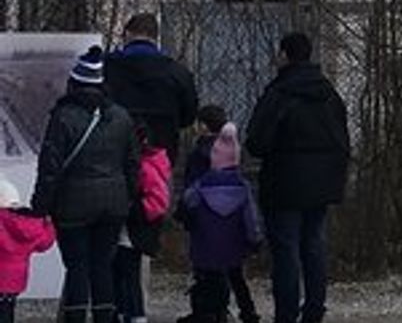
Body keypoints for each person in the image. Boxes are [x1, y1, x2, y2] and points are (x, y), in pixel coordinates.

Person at [244, 33, 349, 323]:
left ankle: (286, 314)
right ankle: (314, 309)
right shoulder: (329, 94)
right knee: (314, 244)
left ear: (284, 55)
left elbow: (257, 141)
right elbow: (343, 139)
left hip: (285, 182)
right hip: (322, 183)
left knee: (286, 250)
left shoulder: (280, 93)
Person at [33, 45, 139, 323]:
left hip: (72, 205)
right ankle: (105, 317)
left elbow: (50, 167)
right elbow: (132, 164)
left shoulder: (63, 117)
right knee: (102, 265)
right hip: (113, 204)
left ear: (74, 82)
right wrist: (128, 197)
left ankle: (76, 317)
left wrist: (40, 206)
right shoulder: (121, 116)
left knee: (77, 266)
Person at [181, 105, 260, 323]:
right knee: (235, 272)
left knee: (206, 272)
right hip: (232, 226)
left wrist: (185, 215)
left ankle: (208, 311)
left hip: (205, 225)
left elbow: (190, 195)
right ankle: (247, 310)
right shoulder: (233, 152)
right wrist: (253, 236)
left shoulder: (198, 155)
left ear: (203, 126)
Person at [105, 14, 199, 157]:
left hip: (115, 153)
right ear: (155, 37)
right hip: (162, 153)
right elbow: (189, 115)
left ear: (127, 34)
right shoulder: (177, 72)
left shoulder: (107, 68)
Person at [113, 125, 171, 323]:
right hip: (136, 229)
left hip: (132, 229)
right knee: (125, 274)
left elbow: (157, 202)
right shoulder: (153, 163)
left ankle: (134, 314)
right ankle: (129, 313)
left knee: (127, 275)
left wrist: (130, 210)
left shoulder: (142, 167)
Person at [0, 174, 56, 323]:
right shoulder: (29, 224)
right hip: (16, 281)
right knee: (8, 308)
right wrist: (49, 226)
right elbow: (44, 243)